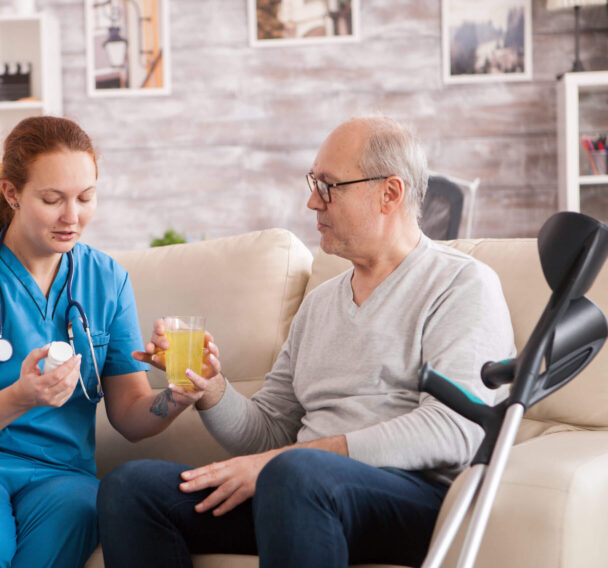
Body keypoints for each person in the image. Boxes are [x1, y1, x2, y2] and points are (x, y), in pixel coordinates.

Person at [97, 116, 516, 567]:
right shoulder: (320, 305)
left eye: (329, 185)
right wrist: (212, 389)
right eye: (313, 182)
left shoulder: (462, 285)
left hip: (414, 496)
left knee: (294, 473)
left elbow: (455, 430)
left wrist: (288, 460)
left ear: (389, 194)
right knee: (132, 488)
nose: (313, 201)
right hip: (298, 492)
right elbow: (270, 433)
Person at [0, 116, 209, 568]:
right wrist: (19, 398)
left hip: (60, 476)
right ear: (12, 193)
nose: (71, 217)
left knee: (67, 527)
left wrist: (178, 395)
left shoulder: (107, 281)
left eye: (85, 197)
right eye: (52, 199)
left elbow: (131, 417)